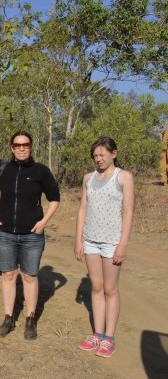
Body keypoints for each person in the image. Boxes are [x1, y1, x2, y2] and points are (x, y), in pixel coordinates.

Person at [0, 131, 60, 340]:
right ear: (11, 148)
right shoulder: (2, 170)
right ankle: (8, 318)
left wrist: (44, 222)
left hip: (32, 236)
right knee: (8, 275)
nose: (21, 148)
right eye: (17, 145)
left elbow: (54, 198)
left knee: (29, 276)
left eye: (25, 144)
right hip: (5, 233)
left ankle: (30, 319)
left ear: (31, 146)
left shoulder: (40, 171)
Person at [74, 137, 134, 358]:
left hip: (112, 242)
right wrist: (78, 240)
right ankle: (98, 334)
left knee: (110, 289)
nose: (98, 159)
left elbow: (128, 211)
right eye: (95, 156)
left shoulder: (124, 177)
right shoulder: (88, 178)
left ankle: (110, 338)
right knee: (96, 287)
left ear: (113, 154)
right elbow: (82, 209)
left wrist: (122, 244)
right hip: (90, 239)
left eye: (102, 155)